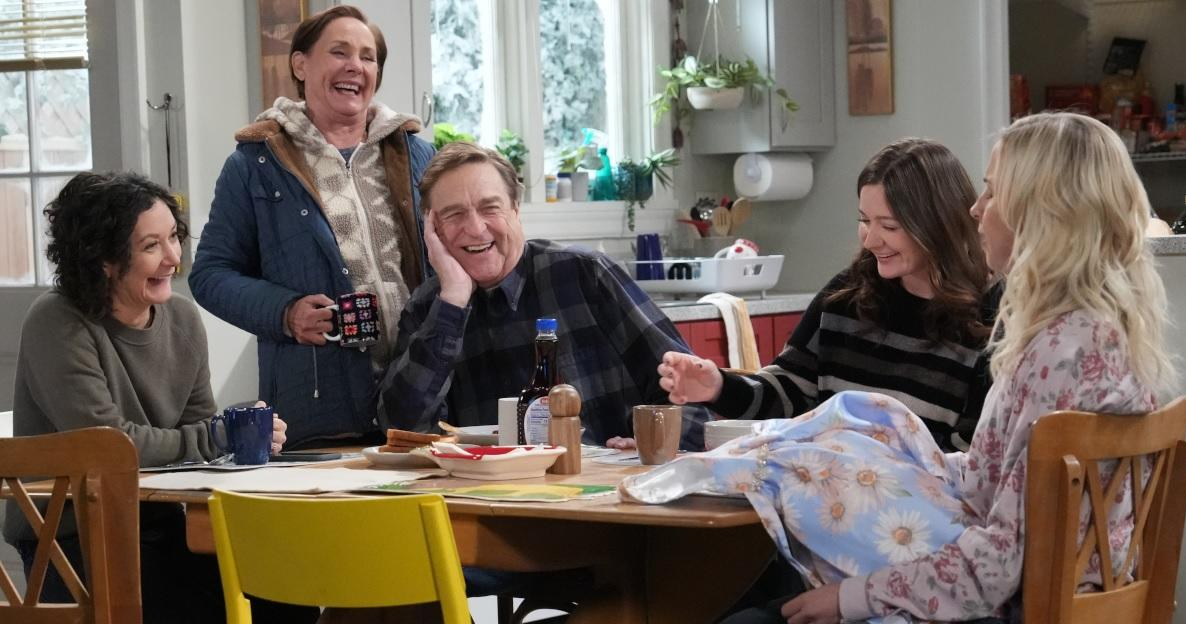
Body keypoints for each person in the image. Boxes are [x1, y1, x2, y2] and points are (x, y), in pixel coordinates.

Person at [706, 111, 1176, 624]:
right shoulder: (1096, 338)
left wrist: (852, 597)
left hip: (1001, 613)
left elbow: (998, 563)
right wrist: (869, 456)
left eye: (992, 192)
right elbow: (995, 484)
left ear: (1040, 212)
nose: (975, 209)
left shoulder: (1059, 357)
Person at [3, 171, 292, 624]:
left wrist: (235, 439)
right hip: (70, 535)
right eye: (151, 246)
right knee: (200, 614)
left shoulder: (182, 318)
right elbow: (108, 446)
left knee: (284, 599)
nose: (174, 258)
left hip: (158, 523)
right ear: (104, 259)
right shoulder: (56, 320)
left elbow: (200, 435)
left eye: (174, 237)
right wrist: (219, 437)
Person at [190, 4, 435, 448]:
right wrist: (285, 312)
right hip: (319, 412)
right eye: (339, 52)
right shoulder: (255, 163)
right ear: (300, 65)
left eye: (367, 57)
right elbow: (209, 275)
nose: (355, 66)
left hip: (420, 405)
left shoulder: (416, 154)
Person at [659, 138, 1001, 453]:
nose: (870, 240)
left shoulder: (991, 318)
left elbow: (972, 459)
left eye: (889, 226)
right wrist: (719, 387)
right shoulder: (845, 296)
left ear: (938, 224)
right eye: (865, 220)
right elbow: (789, 392)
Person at [377, 141, 709, 450]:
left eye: (490, 208)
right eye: (454, 214)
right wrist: (452, 302)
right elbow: (402, 430)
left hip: (604, 482)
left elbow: (690, 393)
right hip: (487, 488)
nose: (476, 229)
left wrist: (655, 444)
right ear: (432, 229)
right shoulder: (429, 307)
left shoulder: (583, 273)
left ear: (515, 209)